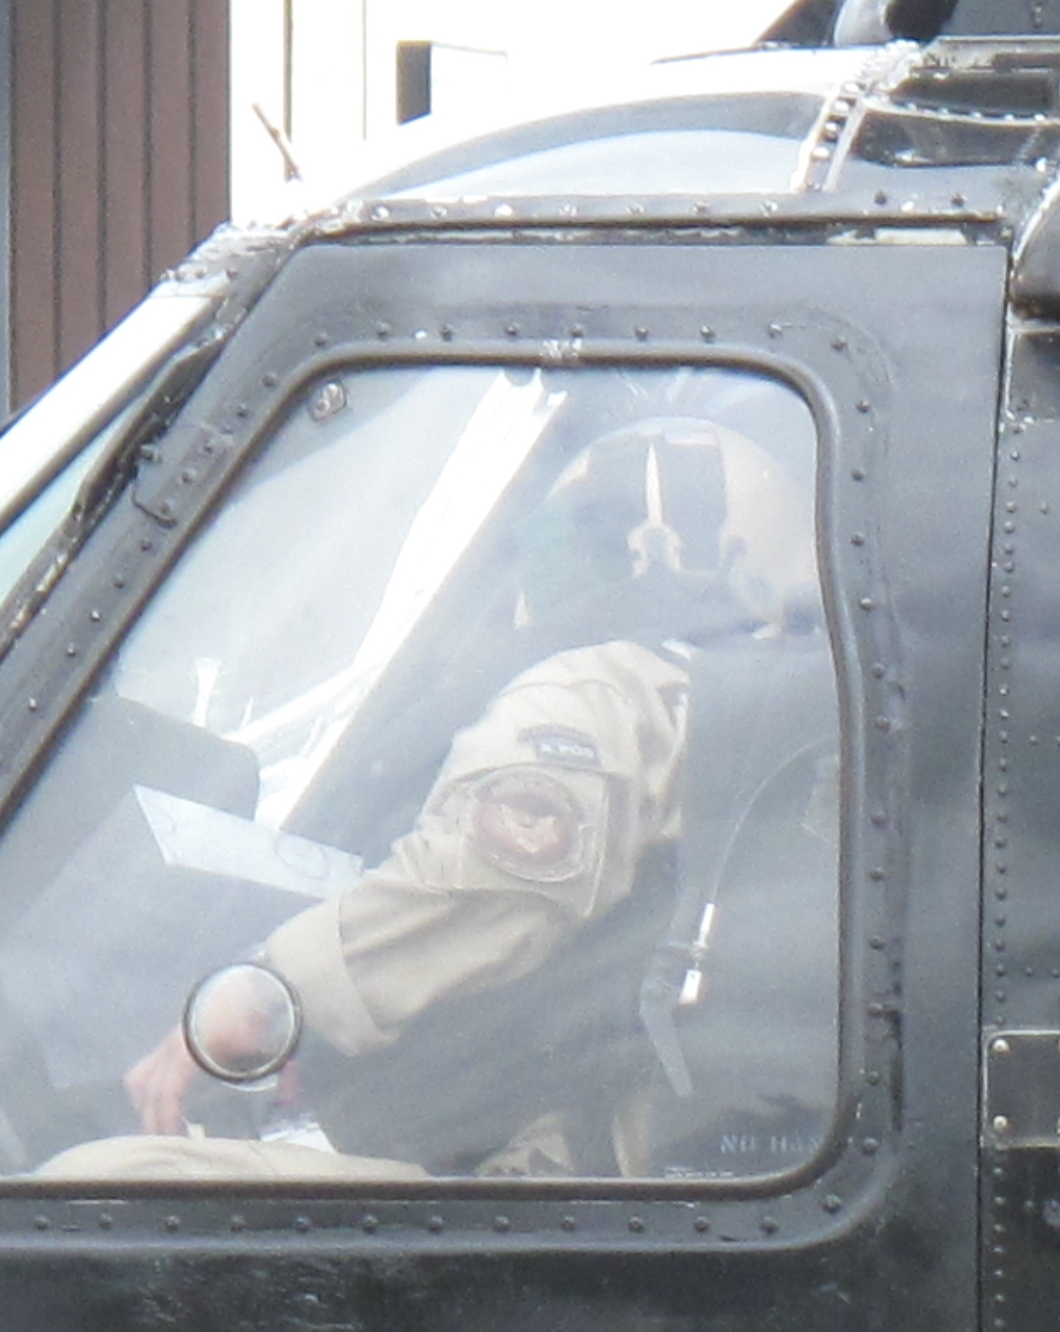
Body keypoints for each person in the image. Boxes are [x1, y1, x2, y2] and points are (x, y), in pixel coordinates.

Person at [89, 411, 825, 1186]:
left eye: (580, 529)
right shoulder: (770, 712)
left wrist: (265, 995)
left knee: (105, 1178)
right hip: (660, 1152)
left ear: (651, 551)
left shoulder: (598, 695)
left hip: (561, 1174)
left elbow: (484, 888)